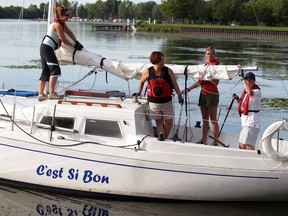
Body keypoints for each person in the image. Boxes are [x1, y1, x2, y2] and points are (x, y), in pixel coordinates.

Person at [38, 4, 84, 101]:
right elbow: (64, 40)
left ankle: (41, 95)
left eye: (68, 14)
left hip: (45, 47)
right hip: (47, 48)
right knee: (55, 69)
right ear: (60, 15)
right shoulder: (57, 25)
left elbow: (69, 32)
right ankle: (51, 93)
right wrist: (74, 46)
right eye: (66, 15)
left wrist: (76, 41)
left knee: (46, 71)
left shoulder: (62, 23)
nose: (68, 16)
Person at [137, 51, 184, 140]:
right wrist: (138, 93)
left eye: (163, 59)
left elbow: (175, 84)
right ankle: (162, 138)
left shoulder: (168, 71)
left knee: (169, 121)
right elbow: (141, 82)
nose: (163, 61)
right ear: (156, 61)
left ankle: (163, 138)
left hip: (167, 101)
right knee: (159, 122)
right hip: (153, 102)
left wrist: (179, 95)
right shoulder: (147, 72)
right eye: (162, 60)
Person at [183, 46, 220, 145]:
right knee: (204, 119)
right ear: (205, 55)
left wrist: (209, 76)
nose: (209, 55)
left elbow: (216, 83)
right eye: (208, 54)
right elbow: (199, 82)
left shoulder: (217, 67)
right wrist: (188, 89)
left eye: (211, 54)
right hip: (203, 94)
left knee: (213, 120)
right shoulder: (204, 66)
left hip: (212, 94)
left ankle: (215, 141)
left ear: (214, 55)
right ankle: (203, 140)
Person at [232, 72, 261, 150]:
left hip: (252, 123)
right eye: (247, 80)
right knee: (241, 145)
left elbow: (250, 93)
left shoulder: (256, 91)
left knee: (248, 146)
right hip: (245, 123)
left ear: (254, 81)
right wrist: (238, 99)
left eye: (250, 80)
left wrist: (243, 80)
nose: (248, 81)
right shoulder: (245, 92)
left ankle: (250, 160)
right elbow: (244, 105)